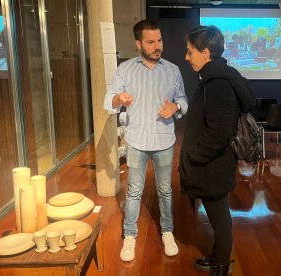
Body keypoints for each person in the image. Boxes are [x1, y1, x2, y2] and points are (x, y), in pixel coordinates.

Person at [103, 19, 188, 262]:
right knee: (133, 191)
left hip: (164, 141)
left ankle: (168, 232)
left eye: (159, 40)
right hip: (136, 140)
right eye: (151, 42)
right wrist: (119, 98)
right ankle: (130, 235)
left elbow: (184, 100)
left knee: (165, 190)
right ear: (138, 43)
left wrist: (176, 106)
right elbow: (107, 101)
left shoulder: (172, 70)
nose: (157, 45)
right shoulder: (125, 70)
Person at [179, 26, 255, 276]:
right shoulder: (220, 77)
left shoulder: (217, 84)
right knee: (218, 216)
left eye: (190, 52)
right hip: (216, 164)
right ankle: (218, 258)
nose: (187, 57)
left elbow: (218, 132)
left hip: (212, 164)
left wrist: (194, 156)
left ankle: (221, 267)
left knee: (220, 218)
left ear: (206, 52)